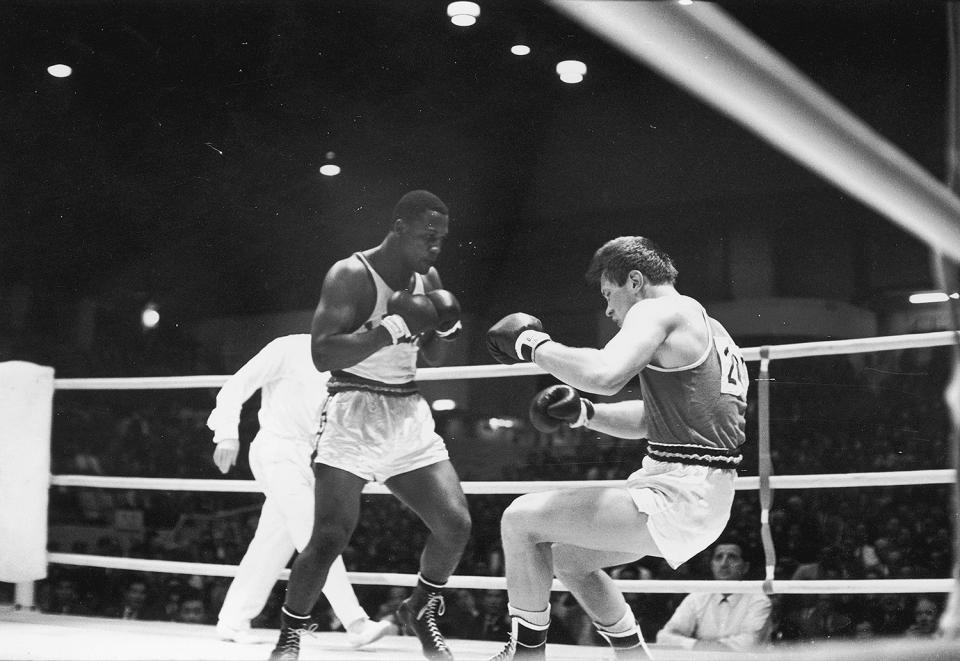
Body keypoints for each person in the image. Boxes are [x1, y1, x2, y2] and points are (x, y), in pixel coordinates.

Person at [484, 235, 748, 660]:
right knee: (571, 560)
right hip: (700, 492)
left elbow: (605, 373)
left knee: (519, 519)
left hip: (680, 493)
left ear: (636, 281)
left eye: (609, 294)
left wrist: (531, 345)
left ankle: (525, 656)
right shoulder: (709, 328)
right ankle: (633, 656)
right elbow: (650, 420)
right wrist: (585, 414)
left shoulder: (658, 310)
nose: (608, 309)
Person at [270, 190, 472, 661]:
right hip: (351, 409)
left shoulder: (429, 278)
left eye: (442, 238)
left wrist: (443, 329)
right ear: (399, 227)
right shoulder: (350, 275)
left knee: (455, 525)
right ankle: (291, 634)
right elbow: (322, 354)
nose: (436, 246)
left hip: (407, 413)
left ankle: (420, 610)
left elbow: (432, 355)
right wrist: (390, 329)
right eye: (428, 236)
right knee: (329, 536)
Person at [206, 333, 391, 648]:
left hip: (313, 459)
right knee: (317, 536)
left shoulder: (353, 362)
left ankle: (233, 619)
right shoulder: (289, 348)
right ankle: (356, 622)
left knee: (273, 542)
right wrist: (226, 433)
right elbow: (238, 384)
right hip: (277, 451)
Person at [655, 539, 771, 651]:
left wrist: (696, 646)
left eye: (732, 557)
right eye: (718, 557)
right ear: (712, 565)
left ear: (745, 567)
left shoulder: (758, 600)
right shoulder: (697, 597)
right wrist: (698, 646)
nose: (724, 564)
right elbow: (664, 637)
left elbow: (748, 644)